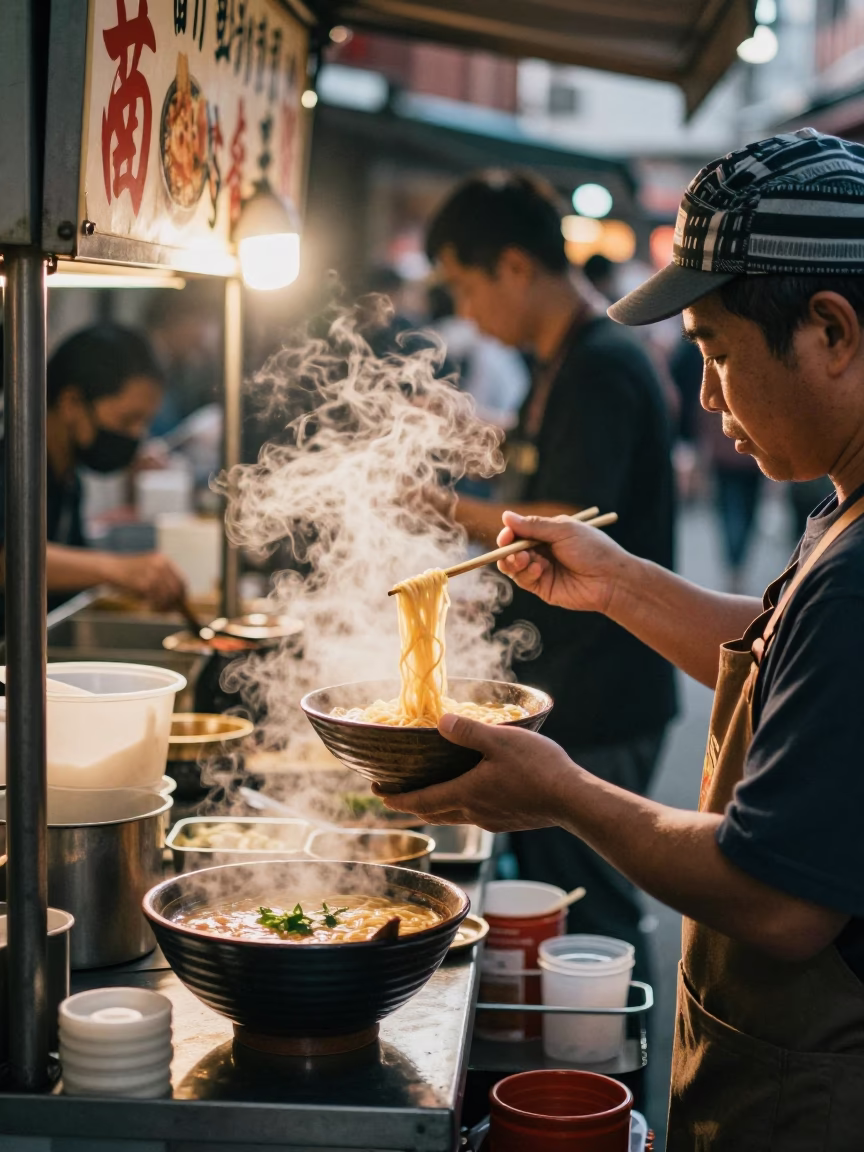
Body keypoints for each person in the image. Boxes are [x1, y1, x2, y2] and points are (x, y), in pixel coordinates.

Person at [383, 129, 864, 1149]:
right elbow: (788, 653)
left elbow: (779, 901)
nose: (706, 395)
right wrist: (620, 585)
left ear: (831, 330)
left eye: (717, 351)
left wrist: (557, 790)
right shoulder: (844, 516)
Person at [425, 172, 677, 979]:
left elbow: (571, 515)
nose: (467, 312)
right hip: (573, 677)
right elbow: (552, 460)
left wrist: (439, 503)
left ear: (513, 266)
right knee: (562, 900)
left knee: (593, 911)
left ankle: (613, 1055)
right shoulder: (561, 360)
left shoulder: (602, 362)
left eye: (466, 287)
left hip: (600, 688)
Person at [0, 324, 187, 630]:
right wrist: (117, 569)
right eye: (127, 420)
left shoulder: (68, 478)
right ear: (72, 403)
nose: (136, 436)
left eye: (143, 422)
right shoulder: (12, 461)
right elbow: (6, 559)